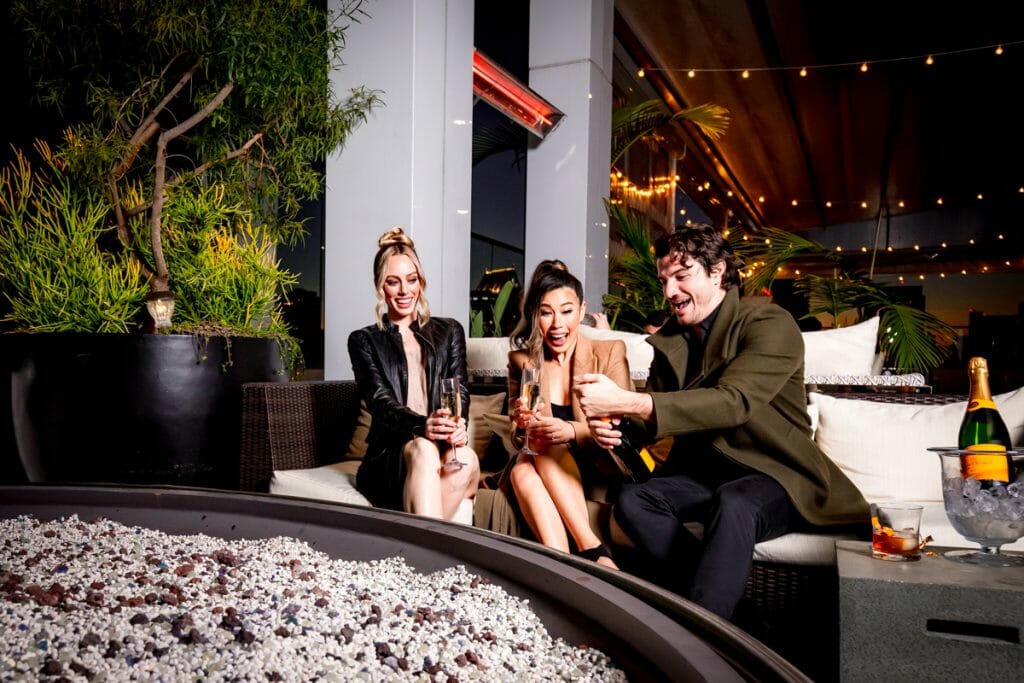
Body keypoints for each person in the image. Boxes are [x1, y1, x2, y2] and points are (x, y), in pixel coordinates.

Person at [574, 224, 868, 620]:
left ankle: (697, 644)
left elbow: (735, 402)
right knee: (633, 500)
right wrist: (614, 425)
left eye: (682, 276)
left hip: (776, 474)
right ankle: (734, 622)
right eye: (664, 280)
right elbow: (653, 420)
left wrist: (629, 400)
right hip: (705, 475)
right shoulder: (672, 341)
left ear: (717, 272)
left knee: (736, 503)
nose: (670, 292)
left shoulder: (769, 324)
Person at [503, 261, 633, 569]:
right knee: (525, 463)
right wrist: (522, 426)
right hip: (542, 456)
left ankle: (578, 556)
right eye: (546, 312)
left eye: (566, 311)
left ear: (582, 310)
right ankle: (580, 559)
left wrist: (571, 430)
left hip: (598, 459)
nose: (557, 324)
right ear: (536, 315)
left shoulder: (610, 351)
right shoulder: (523, 362)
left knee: (535, 454)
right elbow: (515, 431)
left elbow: (622, 428)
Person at [348, 227, 480, 519]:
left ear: (421, 282)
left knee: (468, 459)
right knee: (424, 449)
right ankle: (430, 549)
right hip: (390, 457)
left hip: (442, 447)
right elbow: (381, 403)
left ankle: (416, 546)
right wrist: (423, 426)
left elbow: (459, 392)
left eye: (411, 280)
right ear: (380, 286)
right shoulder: (364, 340)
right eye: (393, 282)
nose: (404, 291)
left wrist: (459, 425)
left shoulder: (449, 331)